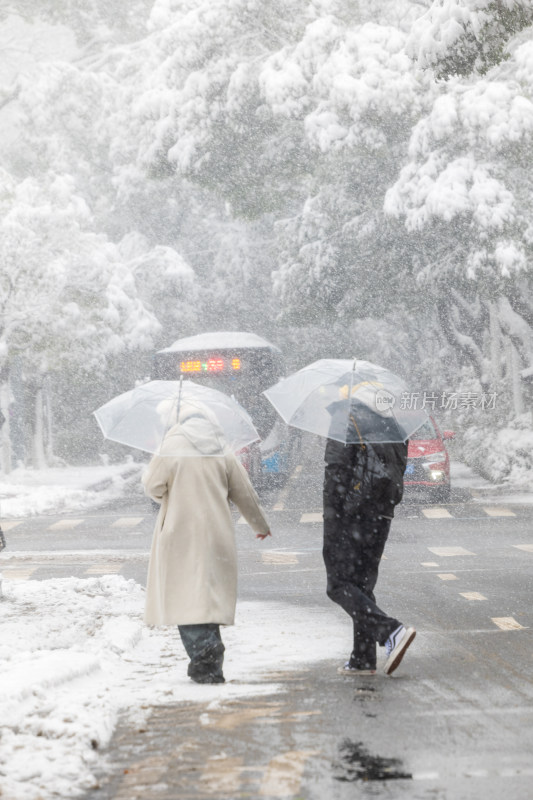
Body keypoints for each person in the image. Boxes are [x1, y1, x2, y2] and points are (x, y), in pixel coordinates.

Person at [142, 399, 271, 684]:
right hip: (216, 533)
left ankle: (206, 658)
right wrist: (260, 525)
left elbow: (153, 486)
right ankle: (209, 657)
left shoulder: (171, 444)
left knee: (184, 597)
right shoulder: (220, 445)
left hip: (180, 533)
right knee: (207, 596)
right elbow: (244, 491)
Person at [323, 391, 415, 676]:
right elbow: (398, 468)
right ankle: (362, 659)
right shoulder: (393, 423)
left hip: (350, 516)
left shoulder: (345, 418)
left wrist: (332, 516)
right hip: (381, 514)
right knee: (362, 586)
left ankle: (391, 631)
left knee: (338, 584)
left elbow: (335, 471)